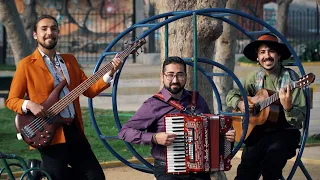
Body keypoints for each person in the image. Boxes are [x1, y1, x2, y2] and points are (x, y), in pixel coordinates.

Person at [6, 15, 122, 180]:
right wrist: (29, 104)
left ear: (58, 33)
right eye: (44, 29)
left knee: (96, 177)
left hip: (73, 129)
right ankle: (42, 168)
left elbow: (89, 90)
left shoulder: (69, 61)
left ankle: (40, 169)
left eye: (53, 28)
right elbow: (12, 100)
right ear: (35, 35)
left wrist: (110, 71)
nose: (49, 33)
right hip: (48, 132)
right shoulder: (26, 65)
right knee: (57, 177)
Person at [118, 56, 235, 180]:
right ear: (162, 77)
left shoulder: (197, 99)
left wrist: (226, 137)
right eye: (170, 75)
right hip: (167, 170)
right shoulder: (153, 104)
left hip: (199, 170)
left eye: (180, 75)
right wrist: (154, 138)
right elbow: (124, 132)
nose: (175, 80)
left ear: (185, 76)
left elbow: (210, 132)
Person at [226, 33, 306, 180]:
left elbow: (299, 118)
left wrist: (288, 108)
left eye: (271, 51)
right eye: (262, 52)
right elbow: (232, 94)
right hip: (257, 133)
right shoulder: (253, 78)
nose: (267, 56)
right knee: (245, 171)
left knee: (271, 166)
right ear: (257, 57)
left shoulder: (292, 79)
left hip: (285, 133)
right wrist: (241, 103)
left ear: (279, 55)